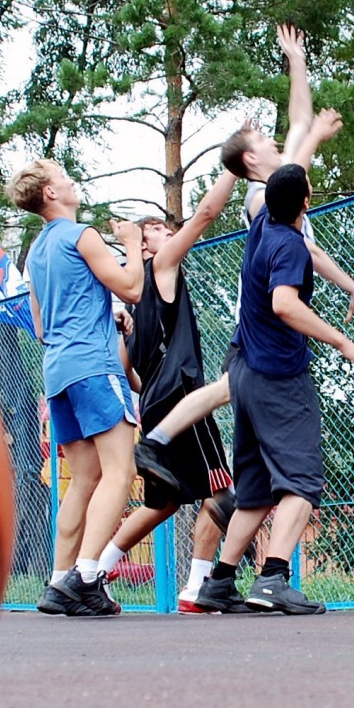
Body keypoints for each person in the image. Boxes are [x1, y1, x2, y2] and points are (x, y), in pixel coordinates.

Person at [132, 25, 354, 469]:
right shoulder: (262, 197)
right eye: (262, 139)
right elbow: (303, 143)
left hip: (273, 330)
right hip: (261, 326)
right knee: (229, 391)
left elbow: (300, 120)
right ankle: (157, 438)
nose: (272, 138)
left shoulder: (282, 180)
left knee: (238, 416)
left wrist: (296, 60)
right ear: (251, 161)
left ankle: (167, 445)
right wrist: (315, 137)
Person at [193, 164, 354, 614]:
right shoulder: (287, 243)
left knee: (253, 489)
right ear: (306, 204)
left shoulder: (262, 228)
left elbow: (309, 247)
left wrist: (351, 285)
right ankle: (272, 578)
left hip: (244, 374)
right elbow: (285, 303)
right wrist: (344, 342)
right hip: (278, 379)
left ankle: (219, 581)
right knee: (302, 480)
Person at [88, 169, 251, 614]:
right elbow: (204, 215)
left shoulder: (133, 301)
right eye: (158, 229)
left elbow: (133, 377)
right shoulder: (160, 266)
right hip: (183, 398)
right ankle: (197, 588)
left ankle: (95, 570)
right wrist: (233, 168)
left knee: (163, 503)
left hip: (155, 406)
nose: (168, 231)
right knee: (223, 494)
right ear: (143, 244)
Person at [10, 158, 145, 618]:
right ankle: (86, 576)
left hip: (58, 370)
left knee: (83, 478)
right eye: (64, 177)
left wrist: (101, 313)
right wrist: (131, 244)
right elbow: (132, 287)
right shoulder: (82, 235)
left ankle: (57, 580)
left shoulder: (37, 252)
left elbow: (42, 326)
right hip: (94, 365)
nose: (72, 181)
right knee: (119, 471)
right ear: (50, 193)